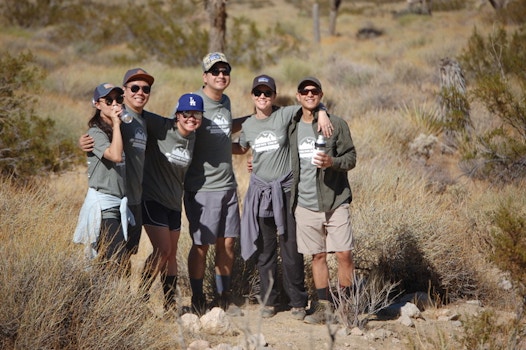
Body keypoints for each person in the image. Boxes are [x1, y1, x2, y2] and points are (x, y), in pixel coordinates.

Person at [234, 74, 333, 320]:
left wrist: (322, 111)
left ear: (274, 96)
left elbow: (309, 103)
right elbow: (242, 147)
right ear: (252, 96)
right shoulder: (248, 125)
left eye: (267, 93)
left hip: (286, 192)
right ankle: (269, 301)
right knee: (266, 251)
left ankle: (298, 301)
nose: (263, 97)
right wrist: (213, 143)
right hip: (261, 194)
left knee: (291, 248)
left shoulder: (285, 115)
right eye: (258, 93)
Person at [78, 68, 170, 273]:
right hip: (112, 198)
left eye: (145, 89)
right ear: (126, 91)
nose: (140, 92)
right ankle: (104, 300)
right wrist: (83, 142)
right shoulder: (117, 118)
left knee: (126, 255)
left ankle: (123, 302)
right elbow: (98, 137)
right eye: (134, 88)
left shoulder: (145, 120)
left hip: (133, 200)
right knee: (113, 255)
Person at [288, 77, 357, 325]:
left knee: (344, 254)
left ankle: (347, 306)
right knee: (317, 256)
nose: (309, 94)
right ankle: (323, 307)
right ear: (298, 96)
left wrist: (333, 162)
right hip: (305, 204)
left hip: (336, 200)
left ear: (321, 94)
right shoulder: (292, 126)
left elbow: (351, 157)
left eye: (314, 91)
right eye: (304, 91)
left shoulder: (335, 124)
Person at [183, 52, 247, 315]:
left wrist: (253, 121)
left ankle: (223, 296)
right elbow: (183, 133)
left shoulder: (225, 101)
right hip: (202, 187)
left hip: (228, 185)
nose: (221, 76)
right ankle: (198, 297)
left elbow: (222, 129)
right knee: (201, 244)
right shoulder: (195, 104)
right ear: (204, 77)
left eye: (225, 71)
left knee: (228, 243)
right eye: (215, 72)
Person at [139, 93, 204, 313]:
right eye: (186, 113)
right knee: (162, 250)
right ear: (178, 115)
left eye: (196, 114)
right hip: (152, 198)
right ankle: (139, 299)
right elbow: (137, 113)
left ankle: (168, 306)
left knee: (171, 253)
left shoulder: (194, 136)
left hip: (174, 203)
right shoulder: (163, 127)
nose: (191, 118)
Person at [73, 83, 130, 267]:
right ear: (98, 104)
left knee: (110, 260)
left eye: (118, 99)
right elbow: (115, 156)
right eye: (108, 100)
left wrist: (117, 125)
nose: (114, 104)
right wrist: (116, 124)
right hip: (103, 205)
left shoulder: (118, 128)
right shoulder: (95, 133)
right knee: (116, 257)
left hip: (118, 203)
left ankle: (104, 294)